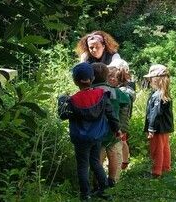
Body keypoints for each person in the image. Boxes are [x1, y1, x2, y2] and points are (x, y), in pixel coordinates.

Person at [57, 63, 119, 201]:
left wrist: (61, 100)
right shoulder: (102, 95)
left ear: (75, 81)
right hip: (97, 136)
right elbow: (111, 114)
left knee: (83, 165)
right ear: (92, 79)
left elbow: (62, 115)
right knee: (96, 162)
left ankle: (85, 195)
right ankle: (104, 191)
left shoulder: (72, 100)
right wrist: (117, 129)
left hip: (80, 139)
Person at [91, 63, 130, 186]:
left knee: (97, 158)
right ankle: (112, 180)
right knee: (114, 156)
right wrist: (123, 124)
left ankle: (97, 183)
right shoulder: (115, 92)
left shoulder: (91, 91)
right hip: (114, 131)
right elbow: (127, 100)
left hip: (97, 132)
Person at [144, 64, 174, 178]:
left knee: (156, 149)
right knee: (165, 148)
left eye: (151, 78)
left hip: (157, 128)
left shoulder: (157, 95)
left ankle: (156, 172)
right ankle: (166, 169)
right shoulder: (165, 93)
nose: (150, 80)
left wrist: (151, 128)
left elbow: (155, 114)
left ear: (156, 79)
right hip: (164, 128)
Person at [107, 60, 135, 170]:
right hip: (123, 121)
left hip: (120, 122)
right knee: (123, 141)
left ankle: (122, 163)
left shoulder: (121, 91)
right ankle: (124, 161)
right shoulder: (126, 89)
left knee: (121, 142)